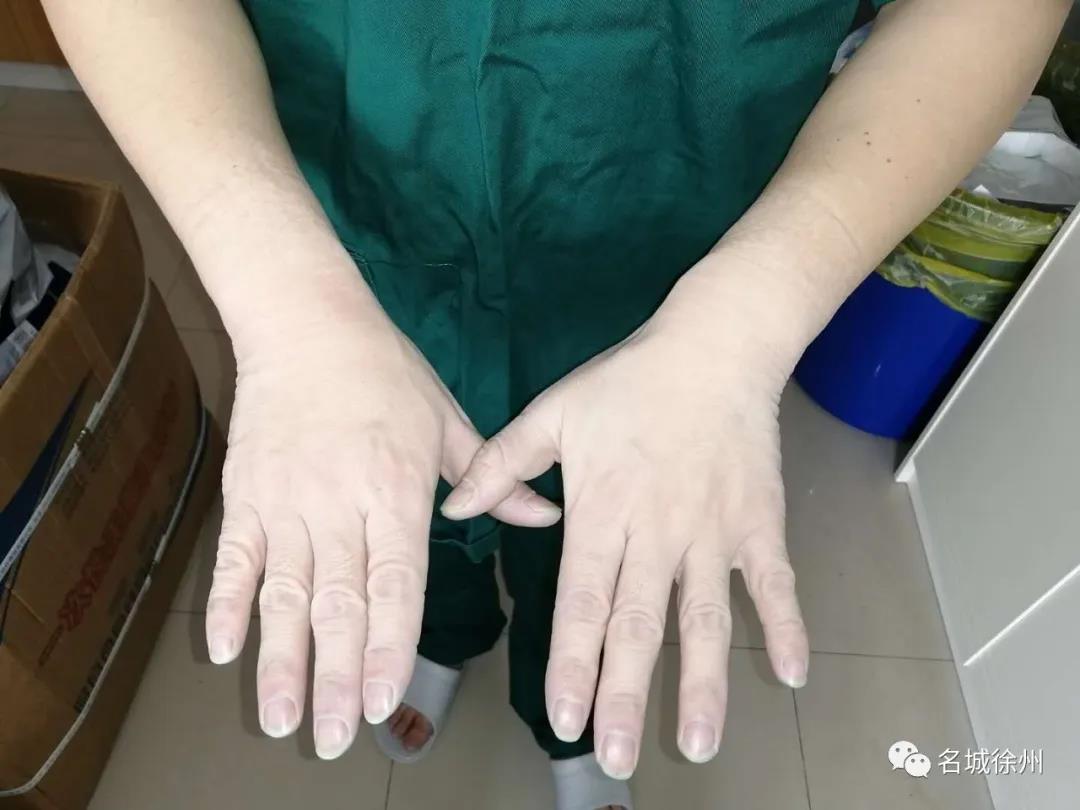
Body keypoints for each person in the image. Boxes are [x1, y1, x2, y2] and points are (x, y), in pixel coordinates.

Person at [42, 1, 1068, 808]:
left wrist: (753, 312)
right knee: (401, 499)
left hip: (672, 255)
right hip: (362, 231)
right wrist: (285, 302)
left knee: (600, 529)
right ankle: (444, 630)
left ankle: (560, 713)